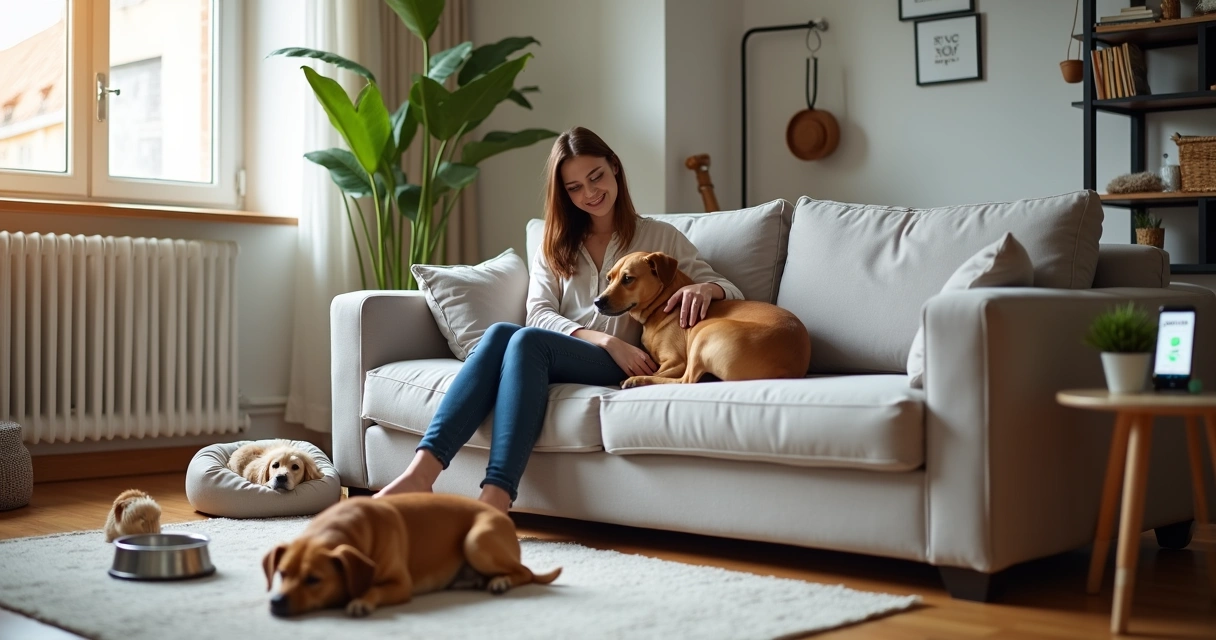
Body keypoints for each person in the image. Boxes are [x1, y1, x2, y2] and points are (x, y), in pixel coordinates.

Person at [374, 126, 742, 512]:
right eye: (575, 187)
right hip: (585, 349)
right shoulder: (555, 243)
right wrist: (605, 340)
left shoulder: (660, 237)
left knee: (523, 339)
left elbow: (726, 286)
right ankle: (420, 474)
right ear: (564, 193)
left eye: (596, 176)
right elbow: (538, 313)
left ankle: (496, 495)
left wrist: (706, 289)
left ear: (614, 167)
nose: (590, 193)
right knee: (505, 333)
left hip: (622, 361)